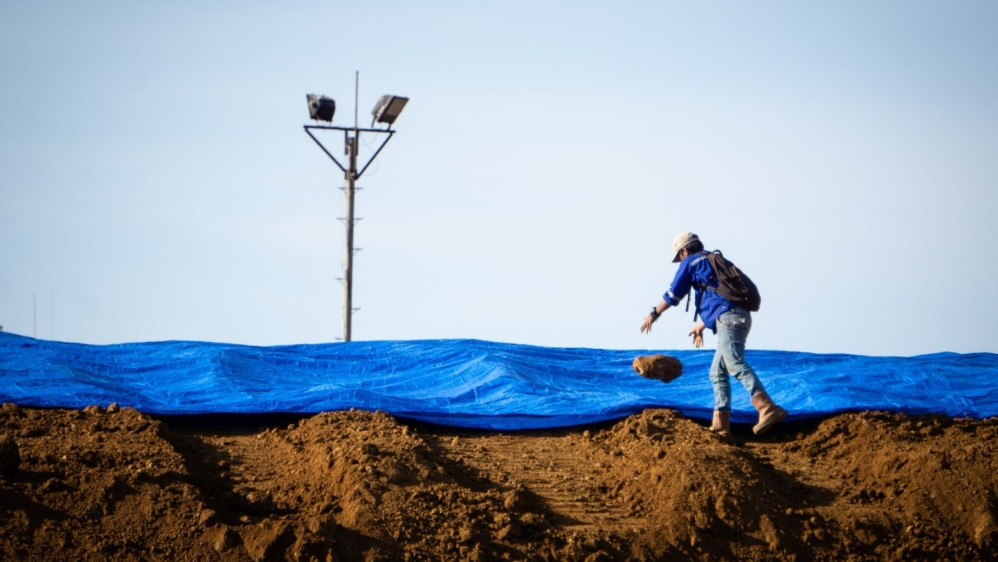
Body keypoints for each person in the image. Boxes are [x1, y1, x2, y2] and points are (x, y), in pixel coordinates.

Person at [639, 231, 786, 441]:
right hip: (737, 316)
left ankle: (766, 407)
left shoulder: (691, 261)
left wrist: (654, 314)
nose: (680, 260)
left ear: (684, 250)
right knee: (717, 372)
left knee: (734, 362)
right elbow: (720, 300)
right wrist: (701, 325)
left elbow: (673, 294)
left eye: (679, 256)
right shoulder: (713, 261)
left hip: (729, 319)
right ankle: (721, 428)